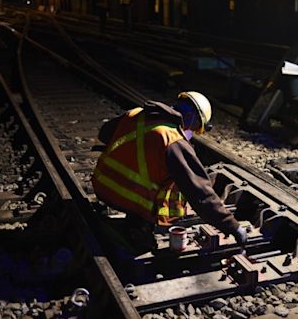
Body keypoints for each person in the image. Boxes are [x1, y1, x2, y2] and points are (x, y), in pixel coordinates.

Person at [92, 91, 247, 255]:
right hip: (129, 200)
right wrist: (231, 225)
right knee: (172, 180)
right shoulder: (173, 141)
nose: (190, 132)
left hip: (102, 185)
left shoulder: (135, 113)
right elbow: (200, 193)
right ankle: (135, 231)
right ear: (193, 119)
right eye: (195, 128)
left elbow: (105, 134)